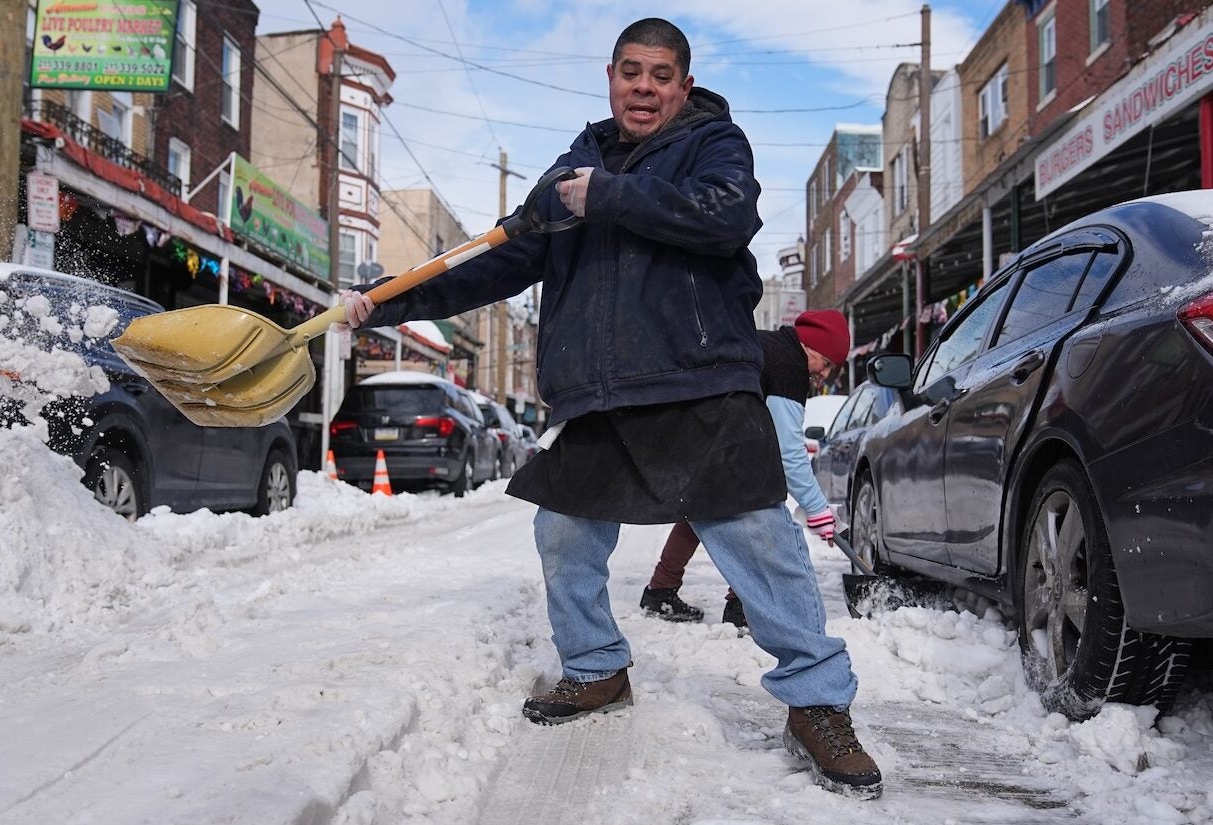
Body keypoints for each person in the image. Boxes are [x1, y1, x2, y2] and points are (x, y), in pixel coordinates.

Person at [336, 18, 881, 798]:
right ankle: (596, 667)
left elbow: (725, 219)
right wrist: (385, 304)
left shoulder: (715, 146)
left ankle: (818, 703)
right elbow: (496, 260)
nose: (646, 87)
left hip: (701, 380)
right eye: (633, 72)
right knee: (563, 530)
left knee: (760, 542)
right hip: (600, 390)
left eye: (662, 75)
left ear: (684, 86)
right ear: (610, 76)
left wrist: (612, 197)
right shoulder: (568, 171)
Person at [640, 311, 847, 628]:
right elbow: (789, 450)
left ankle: (662, 591)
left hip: (694, 429)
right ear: (813, 347)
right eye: (828, 364)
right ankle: (740, 604)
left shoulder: (769, 345)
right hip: (714, 436)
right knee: (757, 508)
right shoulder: (788, 365)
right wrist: (817, 509)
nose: (824, 374)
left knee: (701, 508)